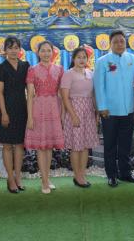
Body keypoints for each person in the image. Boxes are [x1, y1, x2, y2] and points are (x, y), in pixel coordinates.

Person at [93, 30, 134, 187]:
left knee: (126, 144)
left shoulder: (133, 59)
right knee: (110, 144)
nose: (119, 44)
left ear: (125, 42)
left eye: (122, 41)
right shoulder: (102, 61)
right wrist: (102, 106)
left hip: (129, 109)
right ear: (110, 44)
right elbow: (99, 86)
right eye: (116, 42)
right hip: (110, 111)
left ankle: (125, 173)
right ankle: (111, 175)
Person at [25, 40, 64, 194]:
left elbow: (61, 93)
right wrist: (29, 117)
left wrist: (62, 114)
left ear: (53, 52)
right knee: (41, 147)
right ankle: (44, 181)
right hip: (38, 109)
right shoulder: (32, 70)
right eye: (43, 50)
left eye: (49, 50)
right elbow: (30, 95)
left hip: (54, 108)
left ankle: (47, 178)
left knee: (49, 146)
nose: (46, 53)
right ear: (38, 53)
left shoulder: (59, 69)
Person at [0, 37, 29, 193]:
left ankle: (18, 177)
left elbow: (30, 89)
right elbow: (0, 93)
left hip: (22, 108)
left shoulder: (25, 66)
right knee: (7, 145)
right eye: (10, 48)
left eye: (16, 47)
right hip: (6, 109)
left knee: (20, 145)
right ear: (5, 50)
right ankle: (10, 178)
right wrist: (4, 113)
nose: (13, 51)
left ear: (20, 49)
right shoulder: (0, 67)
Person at [60, 47, 99, 188]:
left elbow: (93, 95)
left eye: (84, 57)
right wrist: (73, 115)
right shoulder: (68, 74)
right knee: (76, 147)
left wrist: (96, 113)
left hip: (88, 112)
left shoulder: (90, 73)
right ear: (73, 59)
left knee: (85, 146)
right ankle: (77, 176)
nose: (82, 60)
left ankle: (82, 174)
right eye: (79, 57)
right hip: (74, 111)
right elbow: (65, 97)